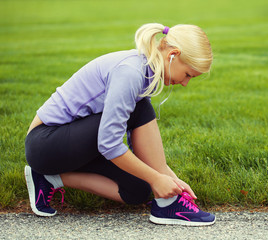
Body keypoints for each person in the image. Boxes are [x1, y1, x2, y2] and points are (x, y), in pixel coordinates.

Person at [24, 23, 215, 226]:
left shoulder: (145, 72)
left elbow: (138, 145)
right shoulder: (131, 72)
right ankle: (168, 205)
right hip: (45, 143)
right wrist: (157, 178)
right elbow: (109, 143)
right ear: (173, 55)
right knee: (140, 109)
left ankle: (49, 177)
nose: (185, 83)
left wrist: (169, 179)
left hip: (73, 144)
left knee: (138, 189)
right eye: (188, 75)